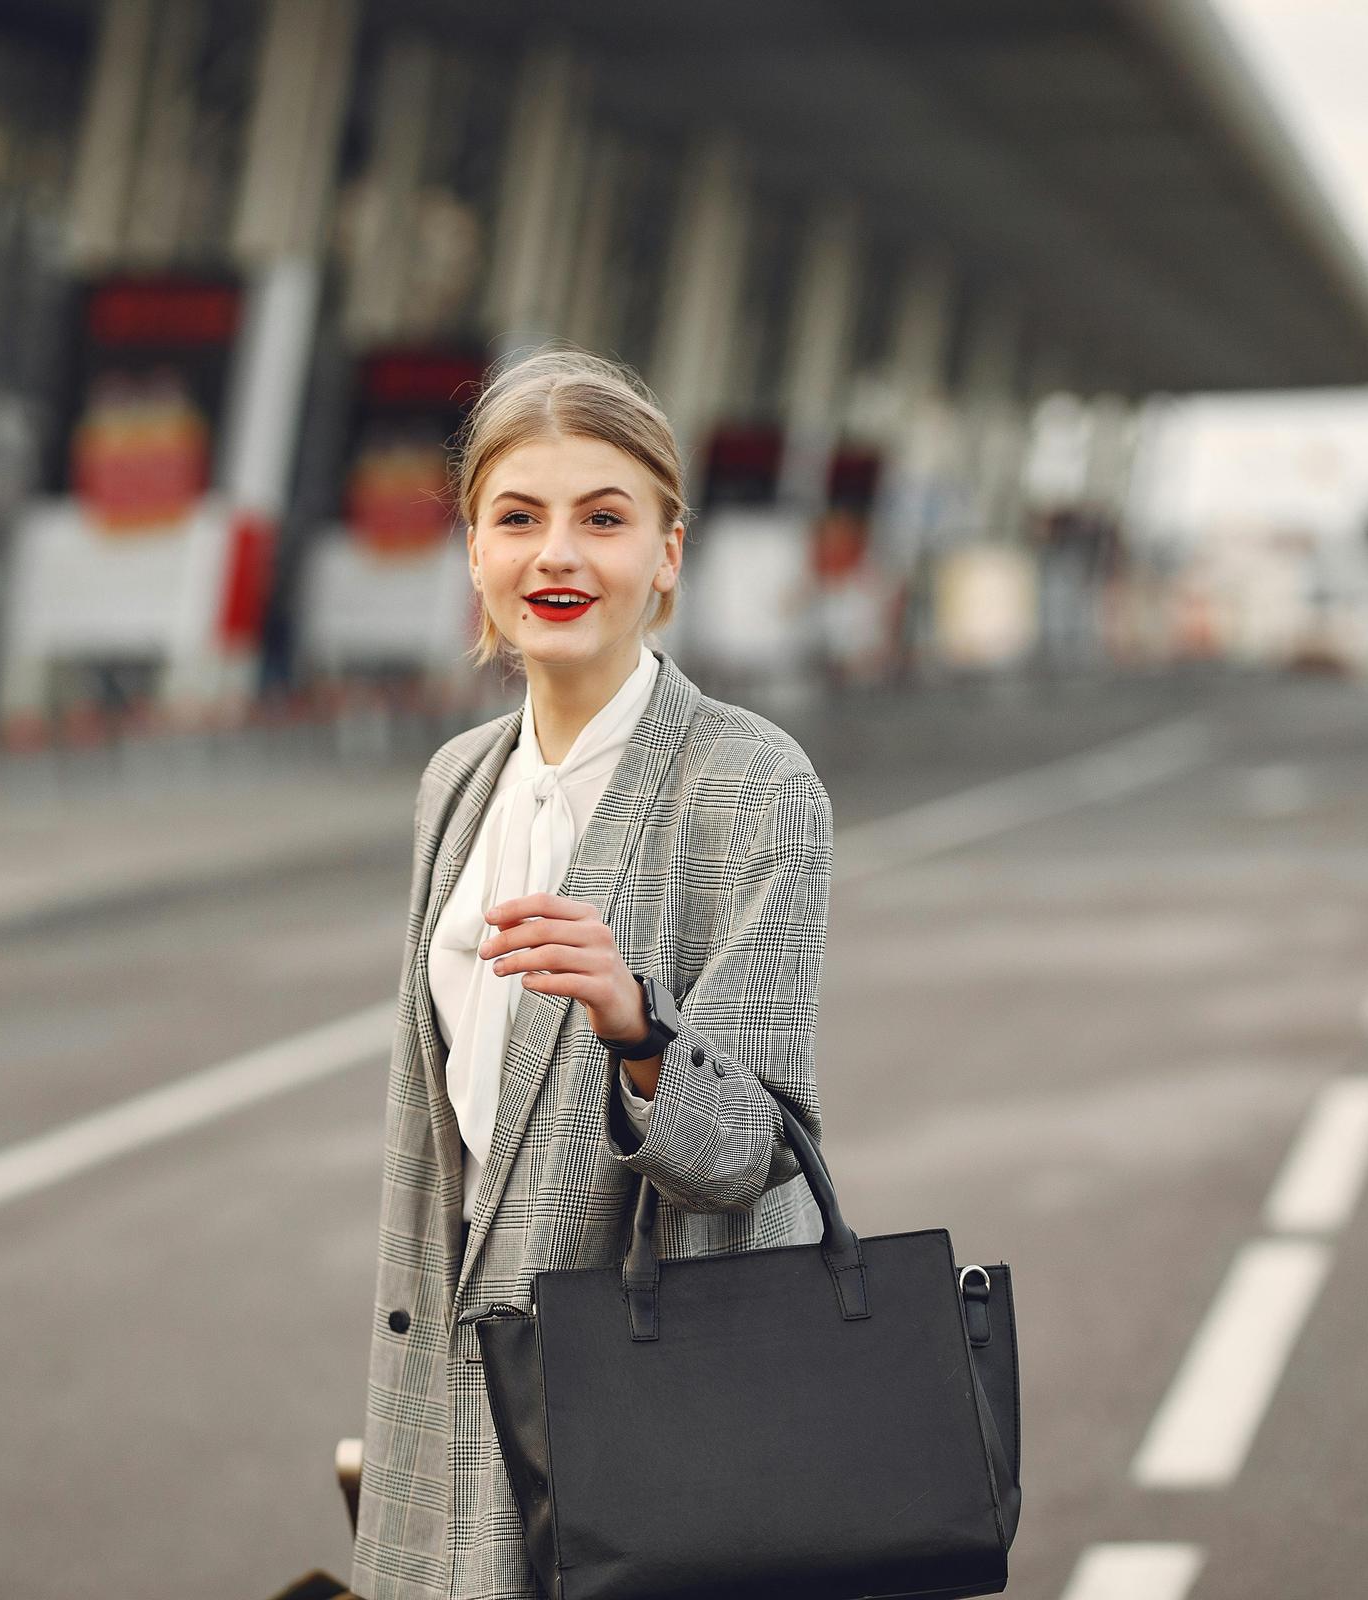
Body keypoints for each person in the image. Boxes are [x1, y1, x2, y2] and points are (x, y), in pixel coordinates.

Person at [349, 345, 836, 1600]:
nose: (555, 555)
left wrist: (637, 1023)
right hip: (455, 1413)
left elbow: (752, 1148)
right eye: (518, 517)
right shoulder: (455, 784)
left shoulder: (753, 784)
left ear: (667, 554)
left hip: (662, 1410)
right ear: (473, 549)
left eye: (604, 519)